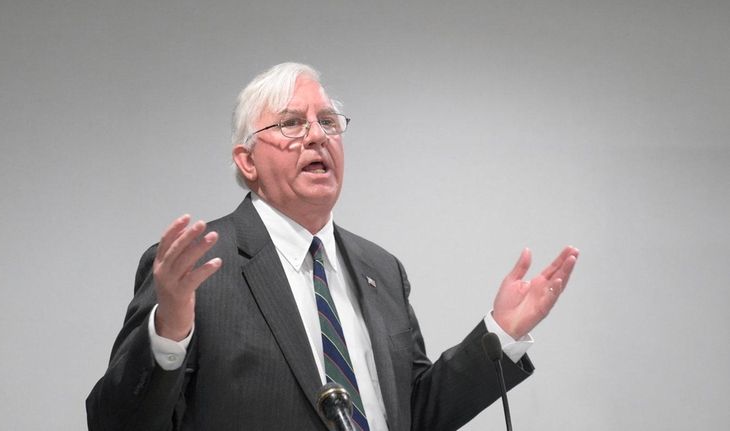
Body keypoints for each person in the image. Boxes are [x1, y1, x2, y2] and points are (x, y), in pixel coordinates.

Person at [86, 62, 578, 431]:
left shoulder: (381, 269)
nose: (317, 136)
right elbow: (115, 423)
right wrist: (168, 332)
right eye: (291, 124)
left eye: (328, 122)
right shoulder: (198, 268)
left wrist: (501, 334)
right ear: (248, 161)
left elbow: (415, 414)